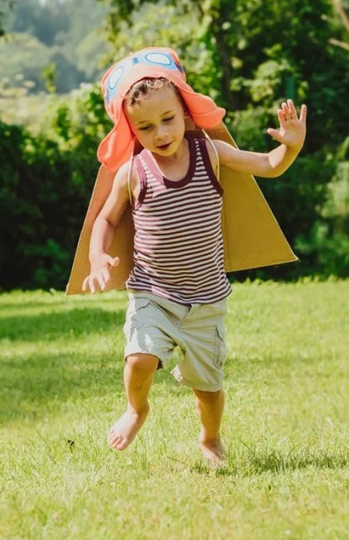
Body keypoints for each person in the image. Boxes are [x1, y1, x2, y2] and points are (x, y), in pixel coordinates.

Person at [83, 47, 307, 464]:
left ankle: (210, 438)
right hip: (153, 293)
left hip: (206, 300)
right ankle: (137, 408)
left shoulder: (210, 153)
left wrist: (290, 147)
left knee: (208, 387)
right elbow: (106, 220)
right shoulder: (133, 172)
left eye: (168, 119)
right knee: (139, 358)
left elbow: (269, 164)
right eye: (146, 127)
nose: (161, 132)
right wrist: (98, 258)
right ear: (132, 131)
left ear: (185, 112)